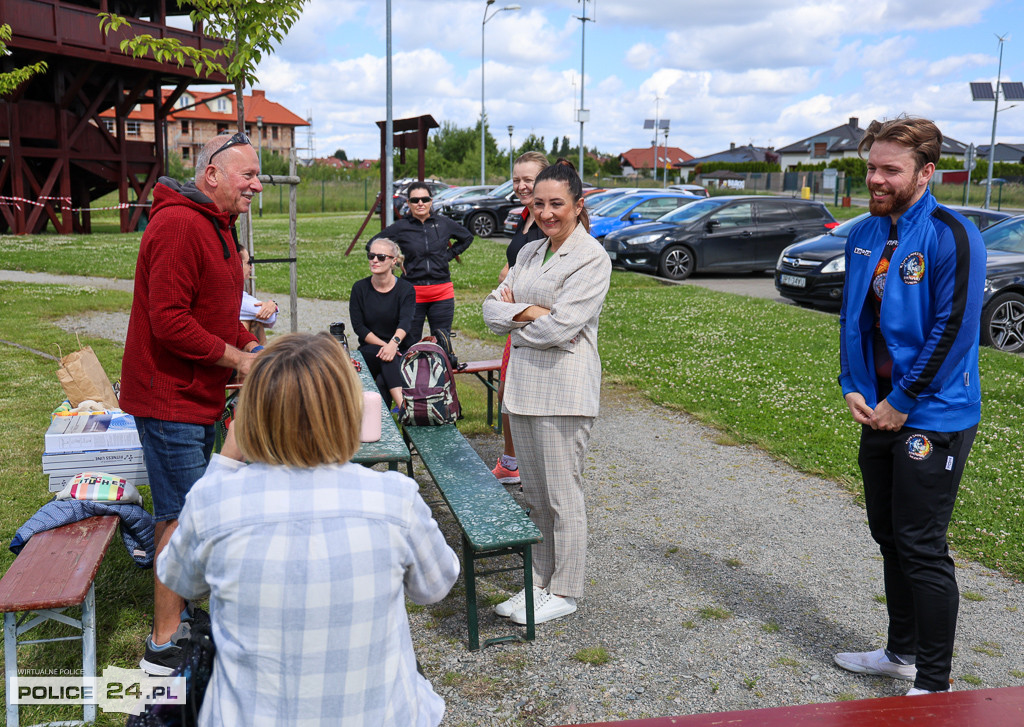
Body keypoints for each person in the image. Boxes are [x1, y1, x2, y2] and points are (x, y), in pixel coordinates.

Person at [157, 333, 460, 726]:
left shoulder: (215, 502)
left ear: (252, 414)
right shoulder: (393, 499)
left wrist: (225, 465)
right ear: (348, 409)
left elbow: (178, 577)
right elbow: (435, 585)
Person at [834, 117, 986, 696]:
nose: (875, 178)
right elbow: (855, 320)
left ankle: (933, 681)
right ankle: (900, 653)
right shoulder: (863, 233)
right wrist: (852, 382)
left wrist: (902, 399)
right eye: (871, 166)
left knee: (922, 544)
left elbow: (954, 328)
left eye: (889, 170)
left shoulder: (952, 232)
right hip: (878, 411)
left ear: (926, 173)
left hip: (932, 415)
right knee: (889, 534)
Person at [120, 131, 263, 676]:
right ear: (212, 176)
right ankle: (162, 644)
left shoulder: (218, 226)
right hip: (168, 396)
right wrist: (237, 359)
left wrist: (249, 345)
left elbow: (214, 310)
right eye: (247, 175)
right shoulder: (180, 225)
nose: (256, 185)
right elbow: (171, 321)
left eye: (258, 176)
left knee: (191, 509)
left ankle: (182, 613)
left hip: (196, 393)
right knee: (178, 516)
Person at [482, 160, 611, 625]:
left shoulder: (591, 257)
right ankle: (538, 581)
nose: (547, 212)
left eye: (557, 203)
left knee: (562, 495)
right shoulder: (530, 253)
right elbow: (489, 308)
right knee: (535, 495)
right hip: (525, 389)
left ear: (578, 205)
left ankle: (566, 589)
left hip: (564, 391)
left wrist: (523, 315)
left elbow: (562, 328)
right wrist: (531, 313)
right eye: (539, 203)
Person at [492, 151, 550, 487]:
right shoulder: (524, 216)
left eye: (529, 179)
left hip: (533, 319)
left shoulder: (548, 219)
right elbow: (515, 263)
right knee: (508, 390)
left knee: (528, 394)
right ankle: (512, 461)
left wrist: (518, 286)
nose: (521, 185)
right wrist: (508, 274)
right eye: (516, 180)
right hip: (513, 318)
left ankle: (531, 466)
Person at [371, 181, 474, 343]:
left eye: (425, 199)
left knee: (442, 344)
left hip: (442, 293)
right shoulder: (401, 227)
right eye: (415, 200)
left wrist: (447, 256)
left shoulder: (443, 223)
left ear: (431, 201)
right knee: (409, 345)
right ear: (408, 203)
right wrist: (394, 261)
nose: (420, 203)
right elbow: (373, 245)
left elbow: (467, 237)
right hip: (412, 293)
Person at [349, 237, 416, 408]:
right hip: (371, 350)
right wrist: (386, 346)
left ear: (393, 261)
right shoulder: (359, 288)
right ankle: (404, 408)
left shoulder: (406, 289)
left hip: (400, 349)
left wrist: (393, 344)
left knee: (381, 382)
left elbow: (406, 322)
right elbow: (359, 327)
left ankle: (383, 428)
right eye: (371, 256)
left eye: (380, 257)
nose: (374, 261)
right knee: (385, 356)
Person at [237, 244, 278, 346]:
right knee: (253, 321)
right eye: (248, 262)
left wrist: (272, 304)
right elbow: (270, 317)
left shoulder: (234, 291)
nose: (251, 266)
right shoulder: (233, 294)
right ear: (238, 265)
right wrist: (273, 305)